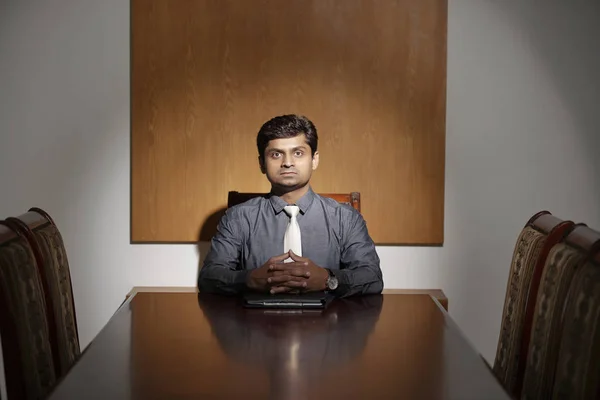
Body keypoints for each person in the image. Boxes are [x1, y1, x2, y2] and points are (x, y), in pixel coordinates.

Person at [197, 114, 383, 297]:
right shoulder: (238, 217)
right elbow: (209, 277)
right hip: (255, 323)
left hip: (328, 322)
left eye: (298, 153)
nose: (287, 163)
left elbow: (372, 278)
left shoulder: (345, 217)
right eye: (276, 154)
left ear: (314, 159)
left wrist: (329, 279)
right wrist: (249, 279)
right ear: (262, 163)